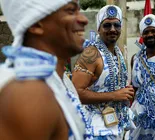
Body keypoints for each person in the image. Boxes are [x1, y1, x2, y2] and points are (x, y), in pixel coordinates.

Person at [0, 0, 90, 140]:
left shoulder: (56, 79)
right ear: (36, 24)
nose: (84, 19)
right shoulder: (30, 93)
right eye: (71, 11)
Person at [72, 5, 135, 139]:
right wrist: (115, 95)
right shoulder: (91, 54)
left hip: (117, 124)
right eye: (107, 25)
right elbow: (76, 93)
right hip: (96, 128)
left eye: (116, 25)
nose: (112, 29)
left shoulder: (117, 52)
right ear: (99, 29)